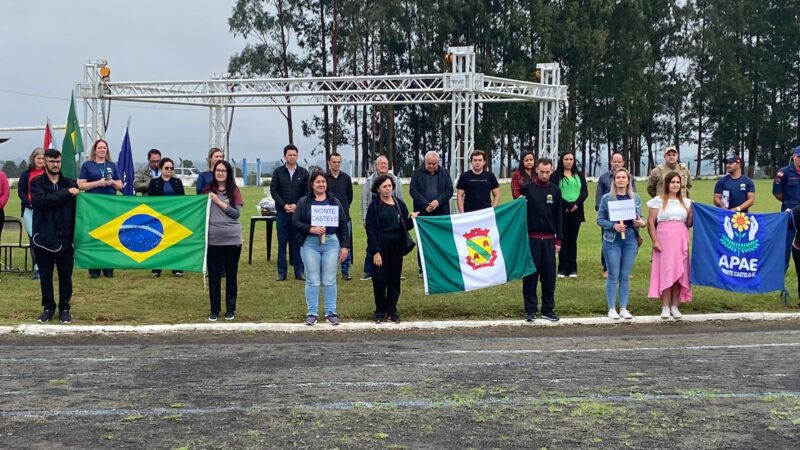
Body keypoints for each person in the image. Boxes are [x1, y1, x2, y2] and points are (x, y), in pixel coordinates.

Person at [293, 170, 351, 325]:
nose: (320, 184)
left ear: (327, 184)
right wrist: (310, 228)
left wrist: (345, 246)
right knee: (312, 280)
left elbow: (343, 225)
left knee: (329, 279)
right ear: (312, 184)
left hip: (331, 243)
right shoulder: (304, 202)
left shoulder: (334, 202)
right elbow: (295, 222)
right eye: (317, 181)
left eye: (323, 181)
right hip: (310, 243)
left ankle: (331, 312)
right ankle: (312, 313)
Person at [30, 149, 80, 324]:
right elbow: (41, 202)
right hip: (44, 237)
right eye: (52, 161)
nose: (55, 164)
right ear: (45, 162)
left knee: (66, 277)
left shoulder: (70, 183)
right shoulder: (37, 183)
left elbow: (79, 210)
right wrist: (66, 193)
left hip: (65, 238)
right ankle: (48, 307)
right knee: (46, 277)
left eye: (58, 161)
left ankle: (65, 307)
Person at [365, 174, 417, 323]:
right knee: (380, 280)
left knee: (394, 280)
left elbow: (405, 226)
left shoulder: (399, 204)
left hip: (397, 247)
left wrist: (412, 219)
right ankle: (380, 310)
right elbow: (370, 229)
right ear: (378, 189)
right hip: (381, 246)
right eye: (384, 187)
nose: (388, 189)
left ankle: (392, 309)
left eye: (390, 186)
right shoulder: (374, 206)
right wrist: (375, 251)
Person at [597, 167, 645, 319]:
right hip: (612, 240)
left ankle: (623, 308)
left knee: (624, 276)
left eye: (624, 177)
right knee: (613, 274)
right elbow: (600, 220)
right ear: (614, 180)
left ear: (628, 180)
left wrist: (641, 223)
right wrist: (613, 225)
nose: (621, 180)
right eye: (618, 177)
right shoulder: (607, 198)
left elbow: (641, 218)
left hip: (630, 239)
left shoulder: (635, 198)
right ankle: (612, 308)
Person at [520, 158, 562, 322]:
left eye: (548, 172)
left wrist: (559, 240)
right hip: (532, 239)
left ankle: (548, 309)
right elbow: (519, 213)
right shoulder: (527, 189)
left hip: (550, 239)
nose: (545, 175)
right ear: (536, 170)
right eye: (542, 171)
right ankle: (530, 310)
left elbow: (559, 217)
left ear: (551, 171)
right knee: (530, 276)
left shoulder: (555, 190)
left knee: (549, 276)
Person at [647, 172, 693, 319]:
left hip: (680, 239)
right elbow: (650, 222)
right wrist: (654, 241)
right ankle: (665, 306)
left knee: (679, 273)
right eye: (672, 182)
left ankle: (675, 305)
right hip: (664, 239)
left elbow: (689, 223)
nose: (675, 185)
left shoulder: (686, 202)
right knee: (667, 272)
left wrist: (693, 213)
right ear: (667, 184)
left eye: (678, 182)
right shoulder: (657, 201)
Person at [78, 139, 123, 279]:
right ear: (95, 150)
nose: (102, 150)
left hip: (109, 206)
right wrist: (98, 183)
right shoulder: (87, 165)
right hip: (93, 206)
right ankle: (94, 269)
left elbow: (120, 185)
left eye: (105, 148)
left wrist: (112, 182)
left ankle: (108, 268)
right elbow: (81, 185)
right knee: (94, 235)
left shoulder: (112, 165)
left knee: (109, 235)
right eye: (100, 147)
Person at [205, 160, 243, 321]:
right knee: (214, 276)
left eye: (223, 170)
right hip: (213, 239)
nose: (220, 173)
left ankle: (230, 308)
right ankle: (214, 309)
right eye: (218, 170)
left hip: (232, 239)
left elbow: (236, 213)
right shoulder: (207, 190)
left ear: (228, 174)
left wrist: (218, 202)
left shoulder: (234, 191)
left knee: (231, 275)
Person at [409, 151, 453, 274]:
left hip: (441, 213)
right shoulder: (417, 173)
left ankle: (441, 266)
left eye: (434, 164)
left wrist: (437, 202)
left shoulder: (444, 173)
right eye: (429, 163)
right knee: (423, 240)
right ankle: (423, 267)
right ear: (425, 162)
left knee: (441, 239)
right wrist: (425, 205)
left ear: (438, 163)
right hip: (423, 213)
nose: (432, 166)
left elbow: (449, 190)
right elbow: (413, 191)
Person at [360, 155, 402, 281]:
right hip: (375, 217)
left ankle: (395, 270)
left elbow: (400, 199)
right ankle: (369, 270)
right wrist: (364, 219)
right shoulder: (369, 182)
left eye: (385, 163)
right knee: (372, 243)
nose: (383, 165)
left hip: (391, 217)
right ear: (376, 166)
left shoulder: (396, 180)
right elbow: (364, 201)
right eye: (380, 163)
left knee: (394, 245)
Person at [271, 144, 309, 281]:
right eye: (289, 155)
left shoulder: (304, 173)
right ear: (284, 156)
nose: (292, 157)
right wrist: (283, 205)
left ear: (297, 156)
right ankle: (282, 272)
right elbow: (274, 191)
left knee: (298, 242)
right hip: (282, 213)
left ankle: (299, 271)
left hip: (298, 214)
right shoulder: (278, 172)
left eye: (294, 155)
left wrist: (297, 205)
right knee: (282, 243)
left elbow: (307, 192)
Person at [595, 152, 637, 278]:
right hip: (609, 216)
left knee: (627, 241)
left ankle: (625, 269)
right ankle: (607, 268)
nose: (617, 164)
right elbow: (599, 197)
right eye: (614, 161)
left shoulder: (630, 177)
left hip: (626, 214)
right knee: (607, 240)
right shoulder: (603, 178)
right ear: (611, 162)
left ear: (623, 162)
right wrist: (602, 211)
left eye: (619, 161)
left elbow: (633, 195)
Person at [551, 151, 588, 278]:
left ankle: (572, 269)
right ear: (562, 160)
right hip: (562, 211)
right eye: (566, 159)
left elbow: (585, 192)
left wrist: (576, 204)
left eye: (571, 159)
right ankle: (562, 268)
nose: (569, 161)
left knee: (572, 240)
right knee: (562, 239)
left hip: (576, 212)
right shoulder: (556, 176)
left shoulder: (579, 175)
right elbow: (555, 192)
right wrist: (567, 205)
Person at [148, 158, 186, 278]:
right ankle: (157, 268)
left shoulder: (177, 182)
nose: (169, 170)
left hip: (174, 217)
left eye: (171, 168)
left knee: (175, 242)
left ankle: (177, 268)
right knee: (158, 242)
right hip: (158, 217)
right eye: (166, 168)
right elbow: (150, 200)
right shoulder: (154, 183)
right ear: (161, 168)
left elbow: (182, 199)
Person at [17, 148, 46, 280]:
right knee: (34, 240)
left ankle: (48, 266)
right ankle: (38, 268)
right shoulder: (26, 174)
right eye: (38, 158)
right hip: (30, 210)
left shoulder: (50, 173)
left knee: (46, 239)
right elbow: (21, 192)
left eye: (43, 158)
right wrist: (30, 204)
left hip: (46, 210)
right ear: (33, 159)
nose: (41, 161)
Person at [325, 152, 354, 280]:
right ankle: (329, 270)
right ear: (329, 163)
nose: (336, 164)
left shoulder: (346, 178)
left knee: (345, 243)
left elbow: (350, 196)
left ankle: (345, 270)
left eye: (338, 162)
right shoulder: (324, 178)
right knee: (328, 243)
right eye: (334, 162)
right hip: (327, 216)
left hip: (344, 216)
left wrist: (343, 208)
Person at [772, 146, 800, 272]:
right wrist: (790, 203)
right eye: (799, 157)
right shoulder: (784, 172)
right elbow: (778, 193)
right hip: (789, 215)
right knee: (785, 246)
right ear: (793, 156)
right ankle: (781, 272)